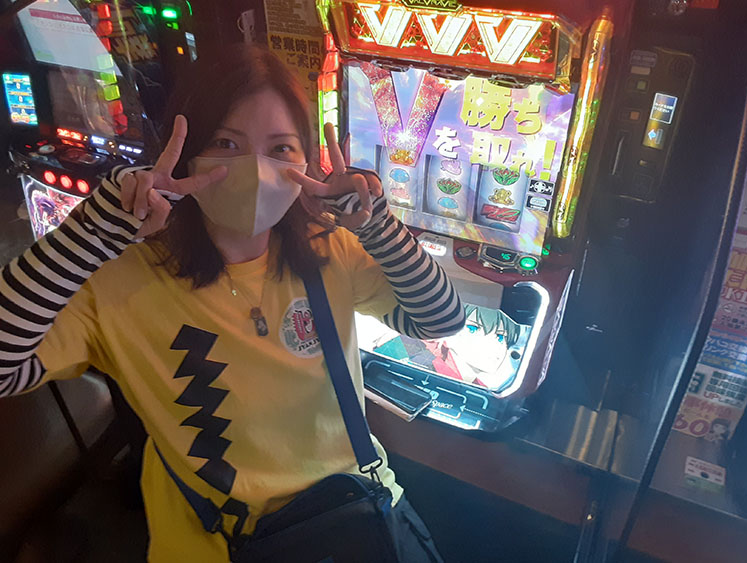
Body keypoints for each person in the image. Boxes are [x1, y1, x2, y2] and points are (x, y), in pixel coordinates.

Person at [0, 45, 464, 561]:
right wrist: (95, 229)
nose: (255, 170)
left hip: (356, 516)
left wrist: (375, 225)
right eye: (225, 143)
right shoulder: (118, 278)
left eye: (281, 148)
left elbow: (440, 318)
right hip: (215, 544)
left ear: (307, 163)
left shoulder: (327, 247)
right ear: (186, 152)